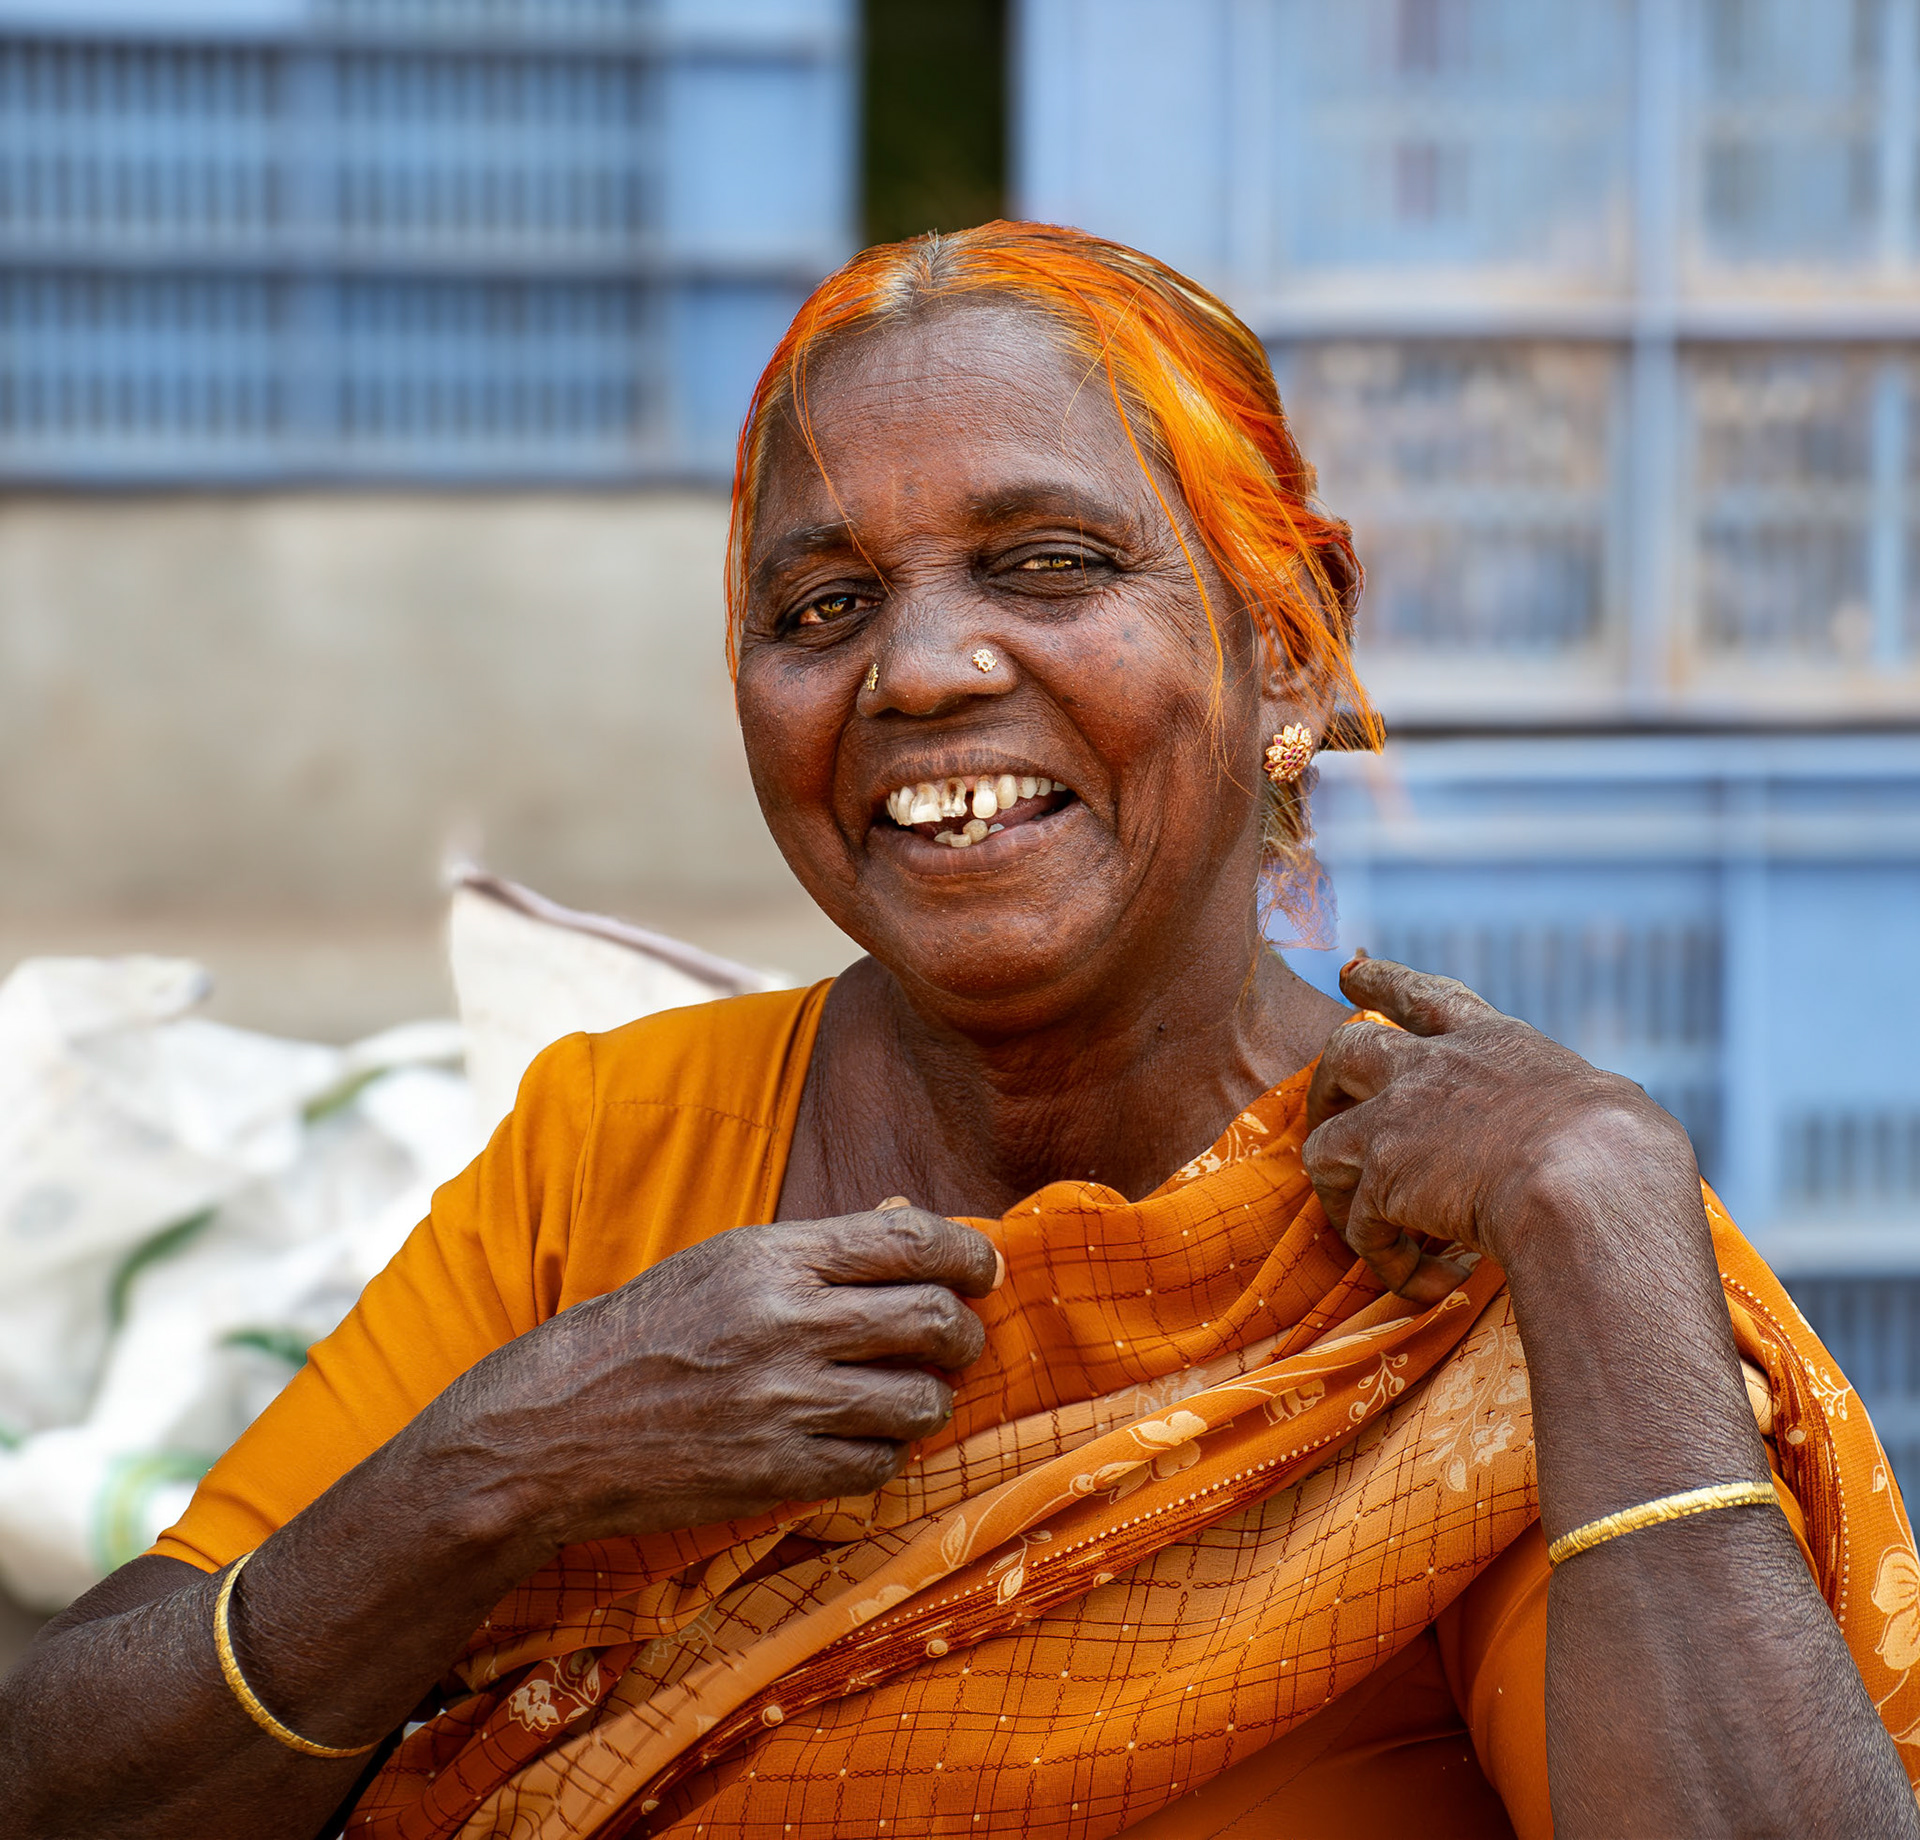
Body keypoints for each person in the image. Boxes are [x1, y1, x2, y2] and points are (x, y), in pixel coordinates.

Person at [2, 222, 1917, 1840]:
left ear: (1289, 645)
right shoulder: (615, 1156)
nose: (919, 671)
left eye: (1050, 565)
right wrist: (503, 1470)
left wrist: (1604, 1213)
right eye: (823, 604)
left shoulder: (1481, 1271)